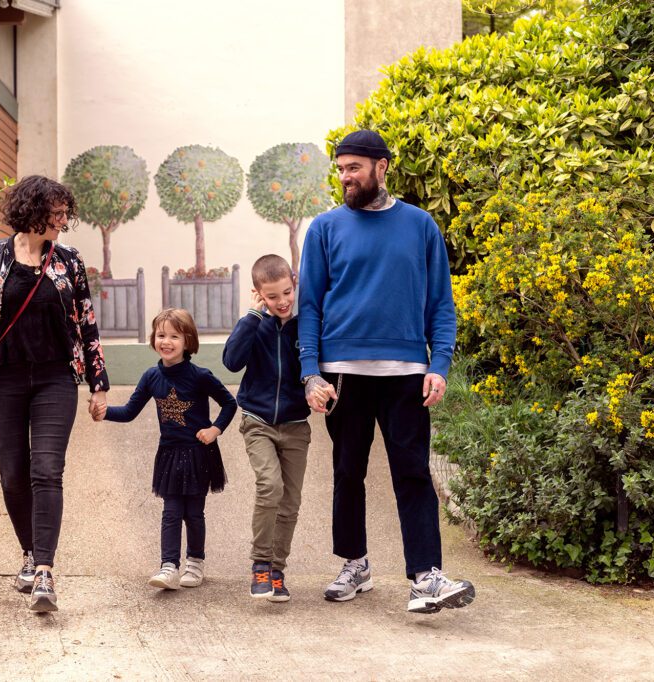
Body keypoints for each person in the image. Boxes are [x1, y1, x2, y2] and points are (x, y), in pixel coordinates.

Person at [297, 129, 475, 614]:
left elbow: (441, 303)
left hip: (406, 373)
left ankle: (425, 578)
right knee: (347, 471)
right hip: (342, 372)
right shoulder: (324, 228)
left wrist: (439, 364)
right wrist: (310, 372)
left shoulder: (420, 226)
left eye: (354, 167)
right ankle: (355, 563)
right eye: (340, 169)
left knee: (413, 473)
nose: (345, 177)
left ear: (382, 167)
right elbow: (308, 305)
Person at [0, 175, 108, 613]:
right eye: (55, 212)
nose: (62, 220)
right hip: (6, 380)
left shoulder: (69, 261)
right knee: (13, 474)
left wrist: (98, 385)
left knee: (47, 470)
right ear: (31, 211)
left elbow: (87, 324)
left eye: (64, 213)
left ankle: (45, 573)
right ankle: (30, 554)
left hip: (55, 379)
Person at [92, 308, 236, 590]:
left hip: (198, 453)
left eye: (174, 336)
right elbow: (130, 411)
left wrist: (214, 429)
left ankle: (195, 562)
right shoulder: (151, 377)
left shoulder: (200, 376)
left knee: (193, 512)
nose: (166, 341)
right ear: (153, 339)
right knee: (171, 512)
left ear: (188, 341)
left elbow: (229, 403)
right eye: (161, 335)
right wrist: (104, 412)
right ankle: (169, 566)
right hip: (169, 454)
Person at [222, 254, 311, 603]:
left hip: (296, 424)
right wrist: (253, 316)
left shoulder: (305, 325)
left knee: (290, 502)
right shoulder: (256, 322)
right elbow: (231, 361)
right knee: (269, 486)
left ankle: (277, 569)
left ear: (293, 282)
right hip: (257, 421)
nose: (282, 302)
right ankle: (260, 563)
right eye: (272, 297)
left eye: (287, 292)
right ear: (259, 294)